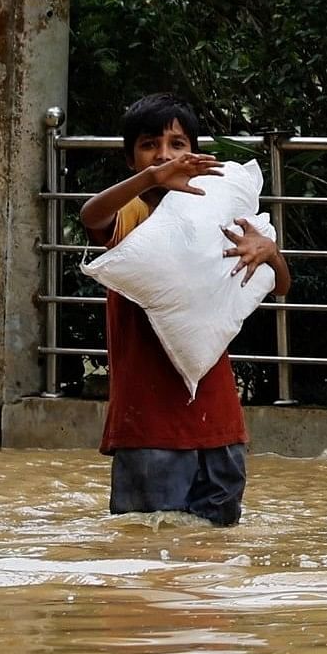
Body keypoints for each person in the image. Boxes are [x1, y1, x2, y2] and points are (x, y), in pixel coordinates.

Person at [77, 94, 291, 527]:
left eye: (177, 144)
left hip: (220, 425)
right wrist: (151, 179)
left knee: (214, 558)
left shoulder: (214, 210)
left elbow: (282, 286)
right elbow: (90, 215)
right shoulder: (131, 214)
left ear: (194, 151)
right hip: (149, 427)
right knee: (145, 554)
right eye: (149, 145)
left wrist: (270, 252)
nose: (165, 155)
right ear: (130, 158)